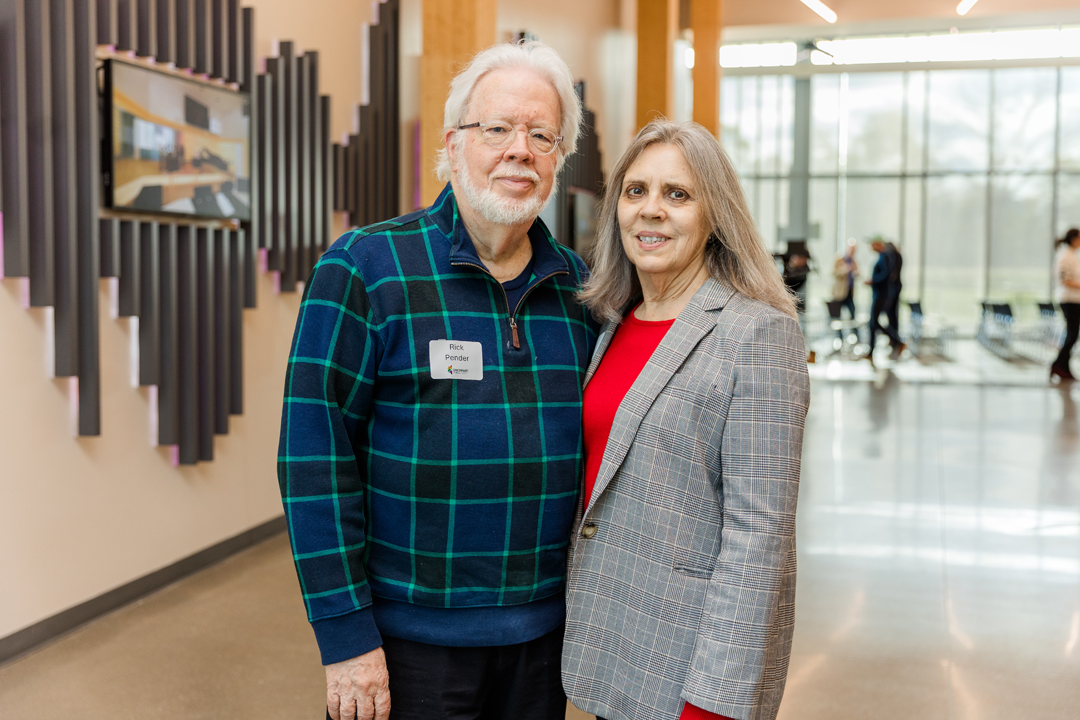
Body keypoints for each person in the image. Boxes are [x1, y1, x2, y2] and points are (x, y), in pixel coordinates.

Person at [277, 41, 599, 720]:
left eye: (542, 135)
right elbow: (313, 459)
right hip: (407, 644)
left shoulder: (582, 291)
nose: (520, 150)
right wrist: (345, 637)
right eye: (498, 128)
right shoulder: (366, 268)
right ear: (453, 144)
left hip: (546, 640)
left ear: (559, 158)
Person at [562, 120, 811, 720]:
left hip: (688, 672)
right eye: (636, 191)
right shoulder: (614, 322)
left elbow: (760, 538)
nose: (652, 210)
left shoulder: (756, 333)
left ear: (714, 215)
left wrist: (712, 704)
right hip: (612, 647)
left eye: (678, 194)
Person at [865, 236, 905, 365]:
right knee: (873, 323)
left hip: (882, 294)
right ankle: (871, 351)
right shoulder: (883, 256)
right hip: (879, 293)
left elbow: (886, 275)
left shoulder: (886, 256)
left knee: (874, 322)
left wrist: (873, 281)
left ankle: (896, 340)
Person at [1051, 228, 1080, 381]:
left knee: (1072, 334)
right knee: (1072, 334)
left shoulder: (1072, 255)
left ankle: (1063, 366)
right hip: (1069, 300)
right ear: (1074, 239)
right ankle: (1058, 364)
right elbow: (1066, 280)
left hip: (1074, 300)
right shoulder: (1065, 256)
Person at [832, 239, 858, 321]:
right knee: (837, 314)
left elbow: (857, 271)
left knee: (852, 312)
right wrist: (846, 269)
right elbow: (833, 272)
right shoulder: (839, 259)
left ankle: (853, 328)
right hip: (840, 291)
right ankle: (838, 329)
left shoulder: (853, 261)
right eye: (851, 249)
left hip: (849, 290)